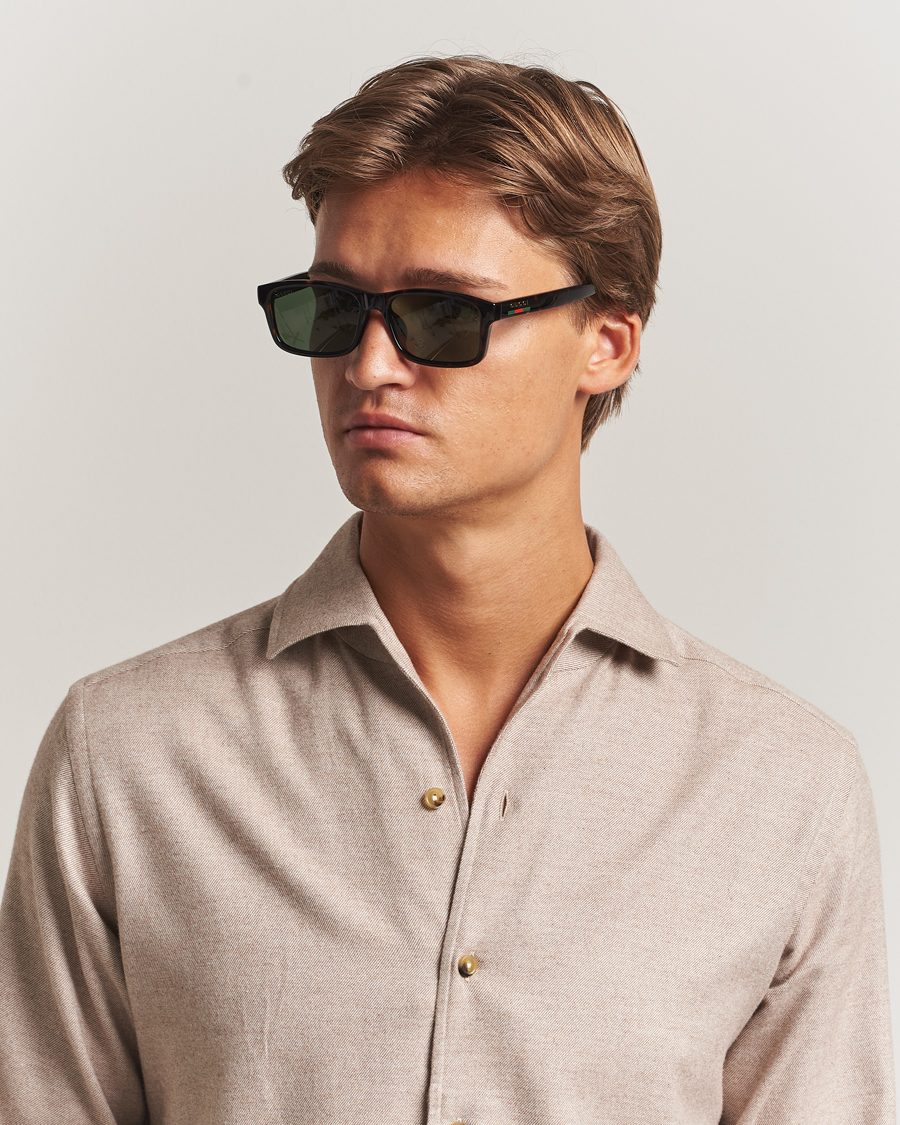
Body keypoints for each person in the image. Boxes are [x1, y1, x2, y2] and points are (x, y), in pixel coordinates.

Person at [0, 55, 893, 1125]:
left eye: (441, 313)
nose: (370, 366)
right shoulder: (127, 754)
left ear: (606, 343)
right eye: (335, 309)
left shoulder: (782, 786)